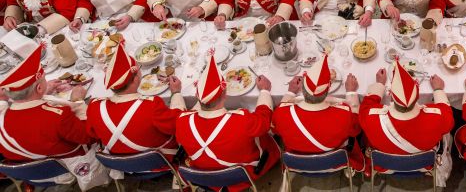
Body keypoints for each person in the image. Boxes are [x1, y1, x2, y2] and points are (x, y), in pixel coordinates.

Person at [0, 45, 109, 191]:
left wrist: (43, 93)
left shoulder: (3, 116)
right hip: (68, 166)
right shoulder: (58, 116)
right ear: (38, 88)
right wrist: (78, 101)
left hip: (33, 172)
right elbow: (88, 136)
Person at [175, 54, 280, 185]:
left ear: (197, 96)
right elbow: (264, 120)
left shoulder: (181, 121)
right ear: (225, 93)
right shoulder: (241, 120)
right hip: (242, 175)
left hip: (204, 175)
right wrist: (264, 91)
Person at [85, 44, 185, 159]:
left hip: (121, 161)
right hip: (158, 160)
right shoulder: (151, 105)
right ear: (136, 77)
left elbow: (92, 134)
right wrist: (176, 93)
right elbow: (178, 124)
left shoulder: (94, 107)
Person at [359, 61, 453, 176]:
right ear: (418, 96)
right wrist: (438, 90)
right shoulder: (438, 118)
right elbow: (448, 116)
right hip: (424, 166)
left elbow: (366, 105)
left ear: (391, 96)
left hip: (385, 166)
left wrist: (379, 84)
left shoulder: (370, 118)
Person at [273, 54, 364, 170]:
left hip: (298, 164)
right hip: (333, 163)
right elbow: (356, 129)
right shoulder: (343, 114)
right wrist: (351, 93)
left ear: (302, 88)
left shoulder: (281, 113)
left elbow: (275, 129)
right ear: (328, 90)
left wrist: (290, 93)